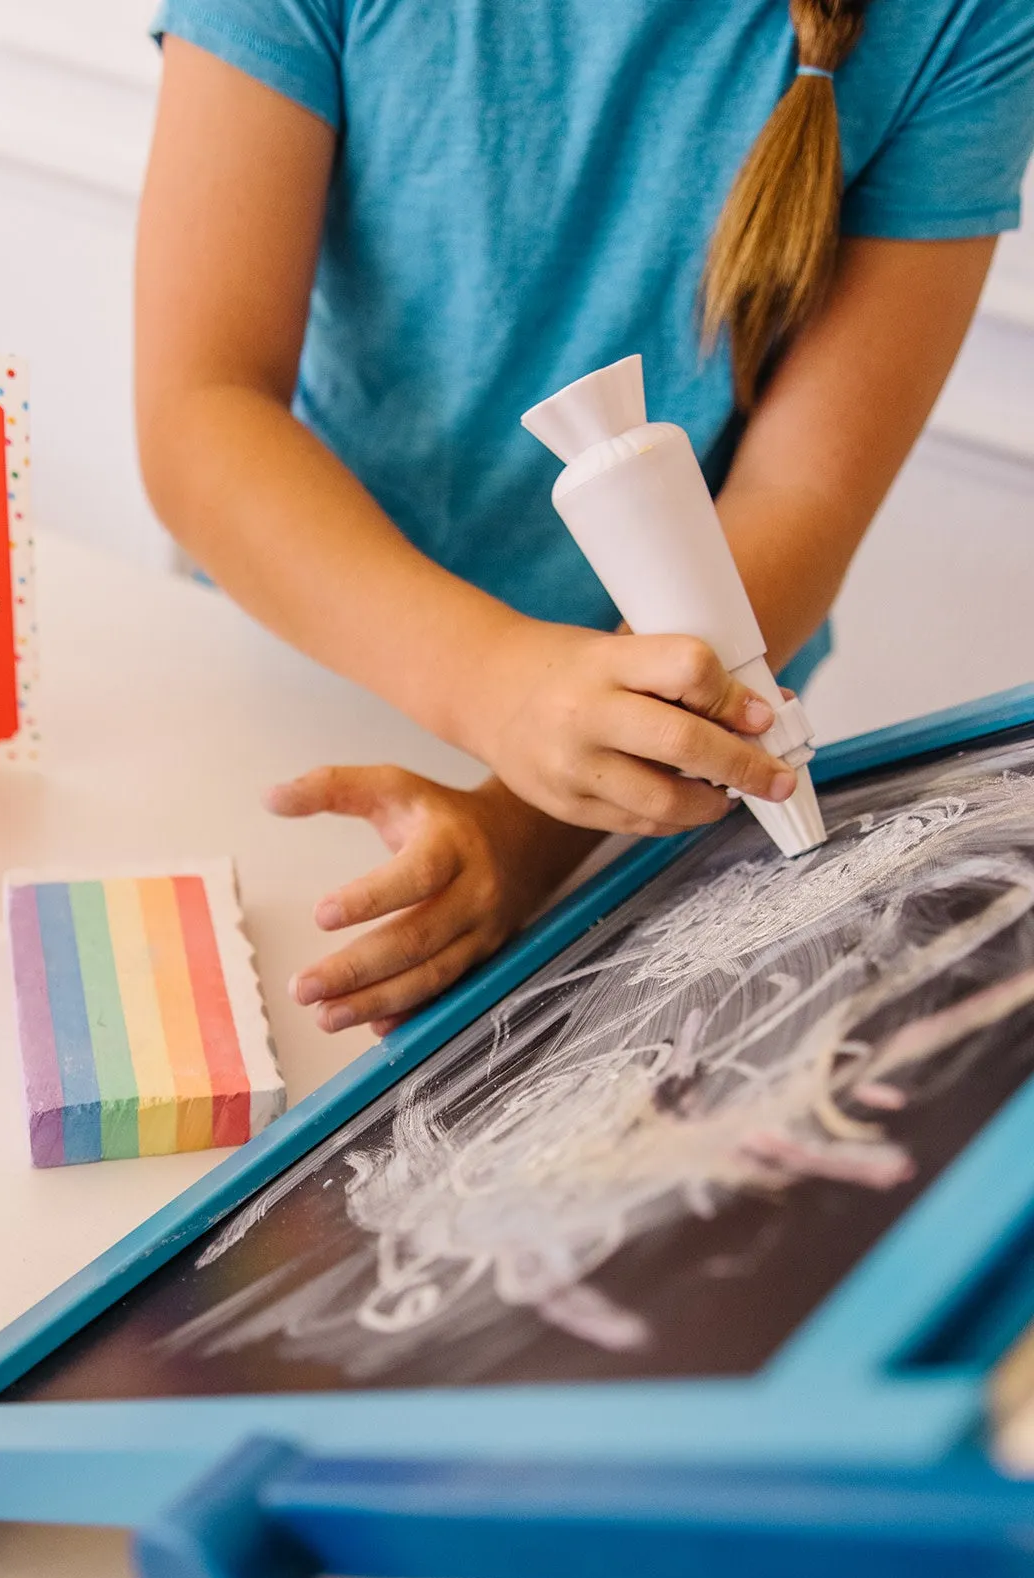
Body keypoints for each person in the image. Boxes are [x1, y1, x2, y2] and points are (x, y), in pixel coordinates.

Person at [135, 0, 1034, 1035]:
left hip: (653, 782)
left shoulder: (965, 20)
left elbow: (801, 498)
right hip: (292, 674)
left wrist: (529, 822)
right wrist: (496, 688)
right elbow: (199, 410)